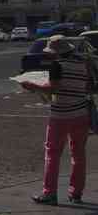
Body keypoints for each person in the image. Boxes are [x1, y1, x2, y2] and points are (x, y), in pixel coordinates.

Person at [20, 35, 93, 205]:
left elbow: (53, 88)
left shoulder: (57, 65)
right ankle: (76, 193)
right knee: (79, 155)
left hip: (60, 115)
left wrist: (32, 85)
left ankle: (49, 193)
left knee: (52, 154)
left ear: (56, 52)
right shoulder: (83, 64)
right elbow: (88, 86)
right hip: (81, 113)